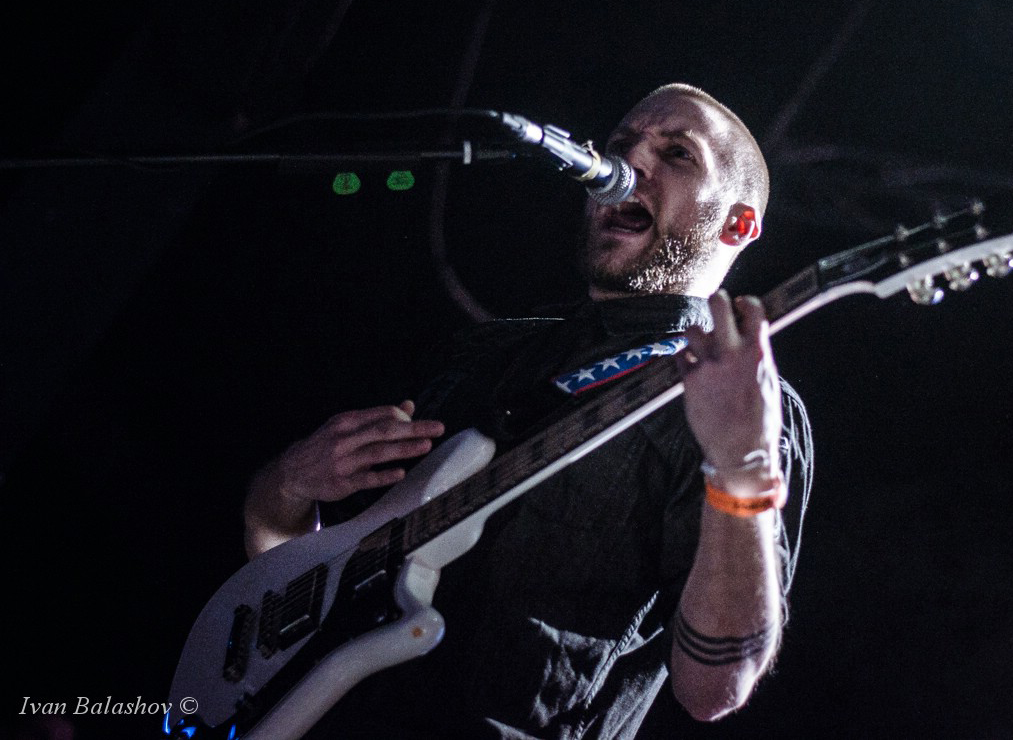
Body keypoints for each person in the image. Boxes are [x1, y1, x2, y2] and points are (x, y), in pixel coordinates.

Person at [242, 83, 813, 739]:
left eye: (677, 154)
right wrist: (285, 488)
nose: (630, 162)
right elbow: (295, 583)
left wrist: (742, 462)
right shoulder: (483, 351)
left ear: (737, 224)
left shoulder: (740, 402)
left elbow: (714, 688)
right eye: (622, 143)